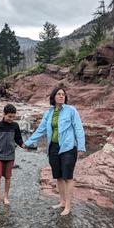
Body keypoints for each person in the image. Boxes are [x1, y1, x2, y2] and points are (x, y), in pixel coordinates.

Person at [24, 87, 85, 216]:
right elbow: (41, 130)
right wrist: (28, 142)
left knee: (68, 177)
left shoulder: (71, 110)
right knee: (58, 176)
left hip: (68, 147)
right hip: (53, 147)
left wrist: (81, 147)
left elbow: (79, 129)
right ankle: (62, 202)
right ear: (54, 97)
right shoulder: (49, 113)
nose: (61, 96)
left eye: (63, 94)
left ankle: (68, 206)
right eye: (59, 94)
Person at [0, 104, 26, 205]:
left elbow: (18, 138)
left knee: (8, 177)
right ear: (4, 114)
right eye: (9, 116)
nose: (11, 119)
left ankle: (6, 196)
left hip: (10, 155)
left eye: (13, 117)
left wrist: (22, 144)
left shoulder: (15, 126)